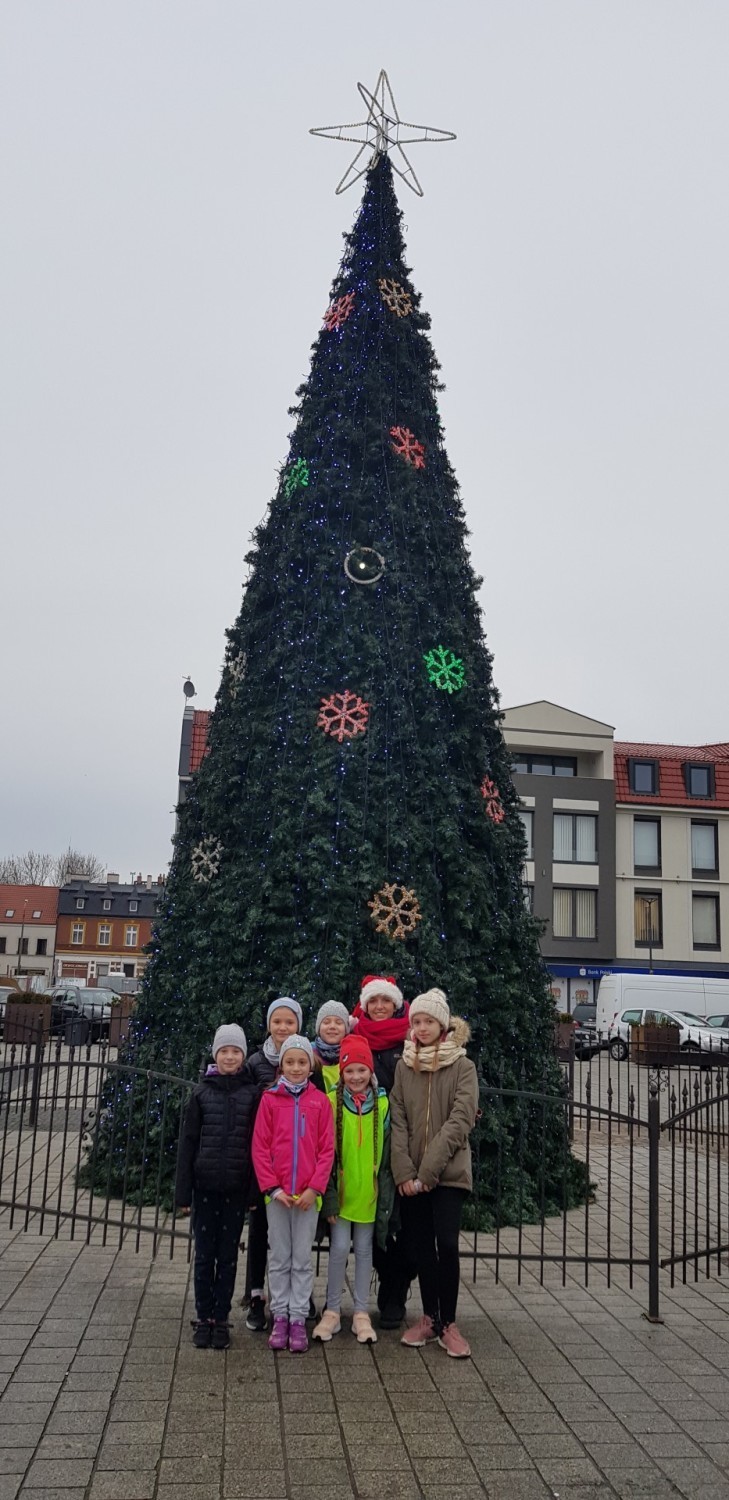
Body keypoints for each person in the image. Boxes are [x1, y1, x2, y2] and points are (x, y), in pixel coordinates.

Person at [389, 988, 479, 1359]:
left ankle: (448, 1323)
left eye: (429, 1022)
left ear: (442, 1025)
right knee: (422, 1248)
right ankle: (428, 1317)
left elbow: (459, 1121)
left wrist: (428, 1172)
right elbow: (398, 1121)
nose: (422, 1028)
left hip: (448, 1174)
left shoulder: (463, 1066)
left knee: (448, 1245)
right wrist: (405, 1173)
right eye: (417, 1022)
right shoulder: (403, 1065)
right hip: (412, 1178)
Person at [251, 1034, 335, 1353]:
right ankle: (280, 1315)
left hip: (307, 1198)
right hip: (278, 1195)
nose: (296, 1068)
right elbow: (260, 1147)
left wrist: (315, 1188)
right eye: (290, 1062)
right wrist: (272, 1187)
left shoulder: (319, 1101)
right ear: (281, 1066)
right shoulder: (270, 1099)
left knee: (302, 1258)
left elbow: (327, 1149)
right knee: (280, 1256)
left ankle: (298, 1317)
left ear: (310, 1065)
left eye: (302, 1062)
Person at [176, 1024, 256, 1350]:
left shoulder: (252, 1094)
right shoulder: (200, 1094)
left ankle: (221, 1318)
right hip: (205, 1188)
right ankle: (203, 1316)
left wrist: (252, 1193)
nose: (230, 1056)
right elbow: (187, 1144)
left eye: (236, 1051)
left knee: (227, 1257)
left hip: (236, 1189)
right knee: (204, 1256)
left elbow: (256, 1147)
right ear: (215, 1054)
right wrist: (183, 1193)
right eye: (224, 1051)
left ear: (243, 1056)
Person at [313, 1034, 392, 1345]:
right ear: (341, 1073)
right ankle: (332, 1310)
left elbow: (387, 1155)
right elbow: (326, 1153)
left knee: (364, 1251)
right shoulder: (331, 1102)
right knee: (337, 1250)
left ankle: (361, 1311)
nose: (356, 1077)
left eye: (362, 1070)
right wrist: (329, 1196)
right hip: (342, 1194)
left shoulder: (383, 1104)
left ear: (370, 1071)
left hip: (369, 1194)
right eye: (349, 1071)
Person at [351, 974, 414, 1326]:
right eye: (372, 1001)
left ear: (395, 1004)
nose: (378, 1007)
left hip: (400, 1139)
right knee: (371, 1220)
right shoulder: (354, 1034)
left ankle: (394, 1292)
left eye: (384, 1001)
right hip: (365, 1141)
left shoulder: (408, 1039)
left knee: (399, 1222)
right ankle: (380, 1285)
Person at [243, 996, 303, 1331]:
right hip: (263, 1161)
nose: (282, 1027)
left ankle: (296, 1295)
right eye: (277, 1021)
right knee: (260, 1231)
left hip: (296, 1164)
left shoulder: (306, 1060)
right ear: (269, 1024)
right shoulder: (255, 1063)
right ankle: (256, 1295)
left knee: (294, 1235)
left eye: (289, 1022)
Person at [311, 1000, 351, 1093]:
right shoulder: (308, 1054)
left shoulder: (352, 1053)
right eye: (326, 1022)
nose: (332, 1026)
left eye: (338, 1022)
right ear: (319, 1027)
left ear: (346, 1029)